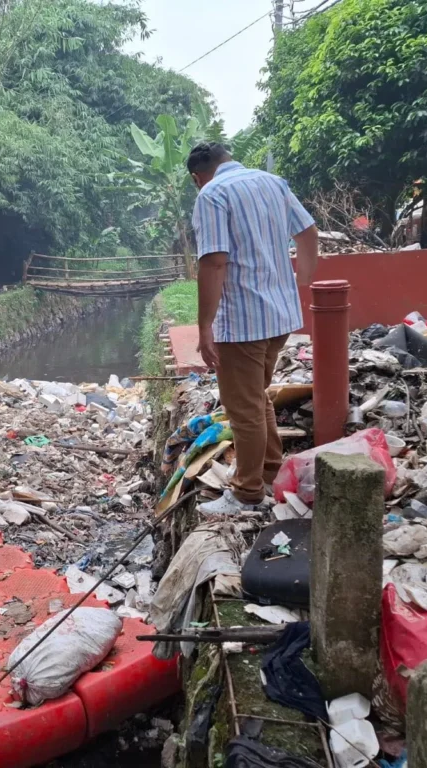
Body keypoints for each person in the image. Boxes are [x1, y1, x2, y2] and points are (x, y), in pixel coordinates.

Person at [187, 142, 319, 514]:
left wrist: (204, 326)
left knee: (242, 408)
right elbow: (308, 233)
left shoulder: (212, 194)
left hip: (243, 320)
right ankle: (269, 471)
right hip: (279, 316)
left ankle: (246, 493)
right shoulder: (272, 182)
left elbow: (213, 263)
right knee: (256, 398)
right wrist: (303, 284)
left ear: (198, 177)